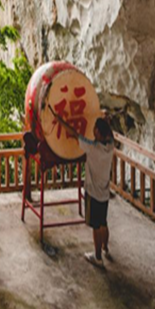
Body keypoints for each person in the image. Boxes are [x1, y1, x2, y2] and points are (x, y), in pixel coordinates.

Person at [52, 110, 115, 268]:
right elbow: (110, 134)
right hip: (105, 192)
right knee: (103, 222)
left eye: (95, 131)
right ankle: (105, 247)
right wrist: (106, 121)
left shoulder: (92, 148)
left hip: (94, 192)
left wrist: (60, 120)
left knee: (96, 226)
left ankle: (98, 256)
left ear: (99, 133)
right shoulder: (110, 146)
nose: (93, 133)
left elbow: (74, 133)